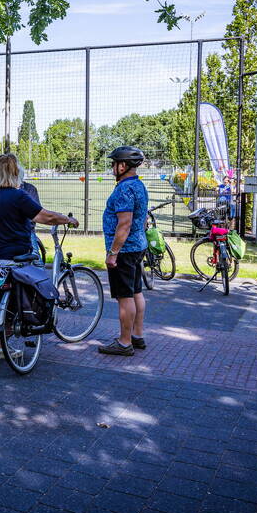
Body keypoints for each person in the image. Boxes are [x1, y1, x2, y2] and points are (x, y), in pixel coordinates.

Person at [0, 155, 76, 359]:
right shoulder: (19, 196)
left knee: (0, 300)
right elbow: (46, 217)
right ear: (17, 173)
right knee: (37, 289)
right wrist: (68, 219)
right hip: (17, 258)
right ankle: (36, 324)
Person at [99, 146, 149, 356]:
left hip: (125, 251)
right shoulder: (139, 185)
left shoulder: (123, 189)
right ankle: (137, 336)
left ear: (123, 165)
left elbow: (124, 225)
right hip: (138, 246)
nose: (112, 167)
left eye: (114, 163)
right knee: (136, 292)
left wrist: (113, 253)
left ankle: (124, 342)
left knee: (124, 297)